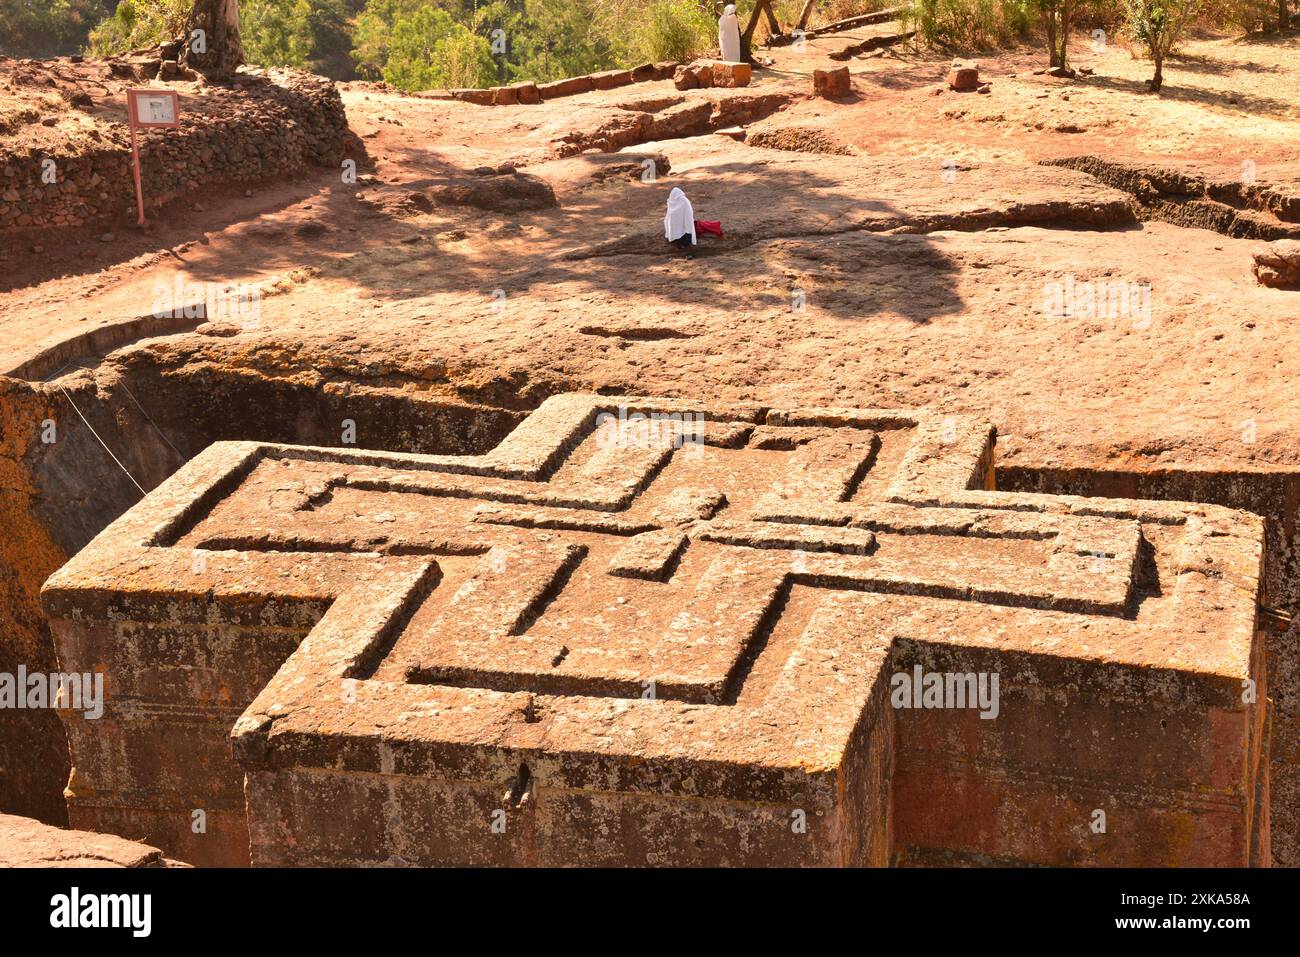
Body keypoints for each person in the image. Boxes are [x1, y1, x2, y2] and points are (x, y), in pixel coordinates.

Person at [664, 187, 697, 255]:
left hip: (675, 230)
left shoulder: (671, 201)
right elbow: (689, 213)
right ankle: (683, 245)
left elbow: (668, 218)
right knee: (685, 233)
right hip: (683, 230)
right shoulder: (684, 201)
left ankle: (677, 242)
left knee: (678, 233)